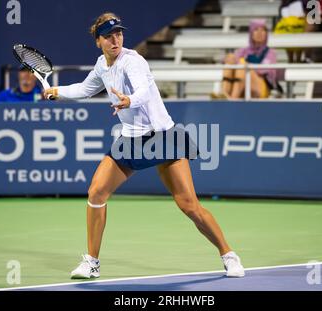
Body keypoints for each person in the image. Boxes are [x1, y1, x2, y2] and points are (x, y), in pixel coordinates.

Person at [44, 12, 245, 279]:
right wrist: (58, 91)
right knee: (96, 193)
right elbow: (84, 89)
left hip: (161, 137)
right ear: (98, 41)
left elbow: (142, 91)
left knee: (189, 206)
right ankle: (91, 262)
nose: (115, 40)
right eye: (109, 36)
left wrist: (129, 101)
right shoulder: (102, 66)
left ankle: (229, 255)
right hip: (130, 140)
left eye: (119, 34)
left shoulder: (133, 61)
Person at [212, 19, 278, 99]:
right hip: (244, 84)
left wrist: (246, 65)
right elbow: (231, 60)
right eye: (256, 30)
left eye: (263, 30)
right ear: (251, 33)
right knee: (231, 60)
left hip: (262, 87)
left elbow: (266, 70)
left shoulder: (270, 53)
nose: (259, 33)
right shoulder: (243, 50)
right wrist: (229, 58)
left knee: (242, 66)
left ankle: (232, 99)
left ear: (266, 34)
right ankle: (224, 93)